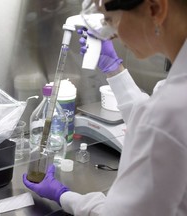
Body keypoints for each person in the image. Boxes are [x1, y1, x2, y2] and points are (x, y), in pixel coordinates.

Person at [23, 0, 187, 215]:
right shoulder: (174, 94)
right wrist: (115, 70)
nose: (111, 34)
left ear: (155, 9)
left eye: (110, 20)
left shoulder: (168, 112)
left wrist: (63, 195)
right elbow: (152, 118)